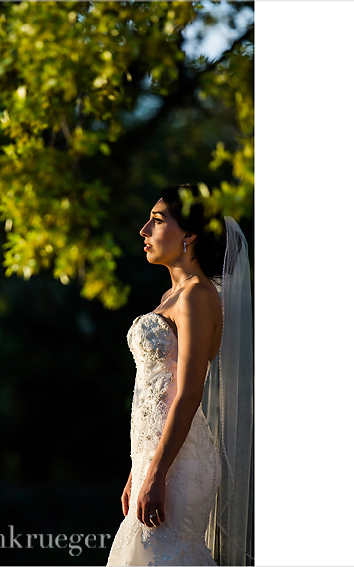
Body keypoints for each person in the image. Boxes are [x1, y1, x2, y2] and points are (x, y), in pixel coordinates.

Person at [106, 185, 253, 566]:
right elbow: (154, 392)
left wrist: (156, 471)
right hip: (156, 458)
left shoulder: (197, 295)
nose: (144, 230)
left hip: (178, 464)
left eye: (157, 221)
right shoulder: (172, 297)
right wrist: (137, 469)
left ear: (189, 235)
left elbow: (188, 394)